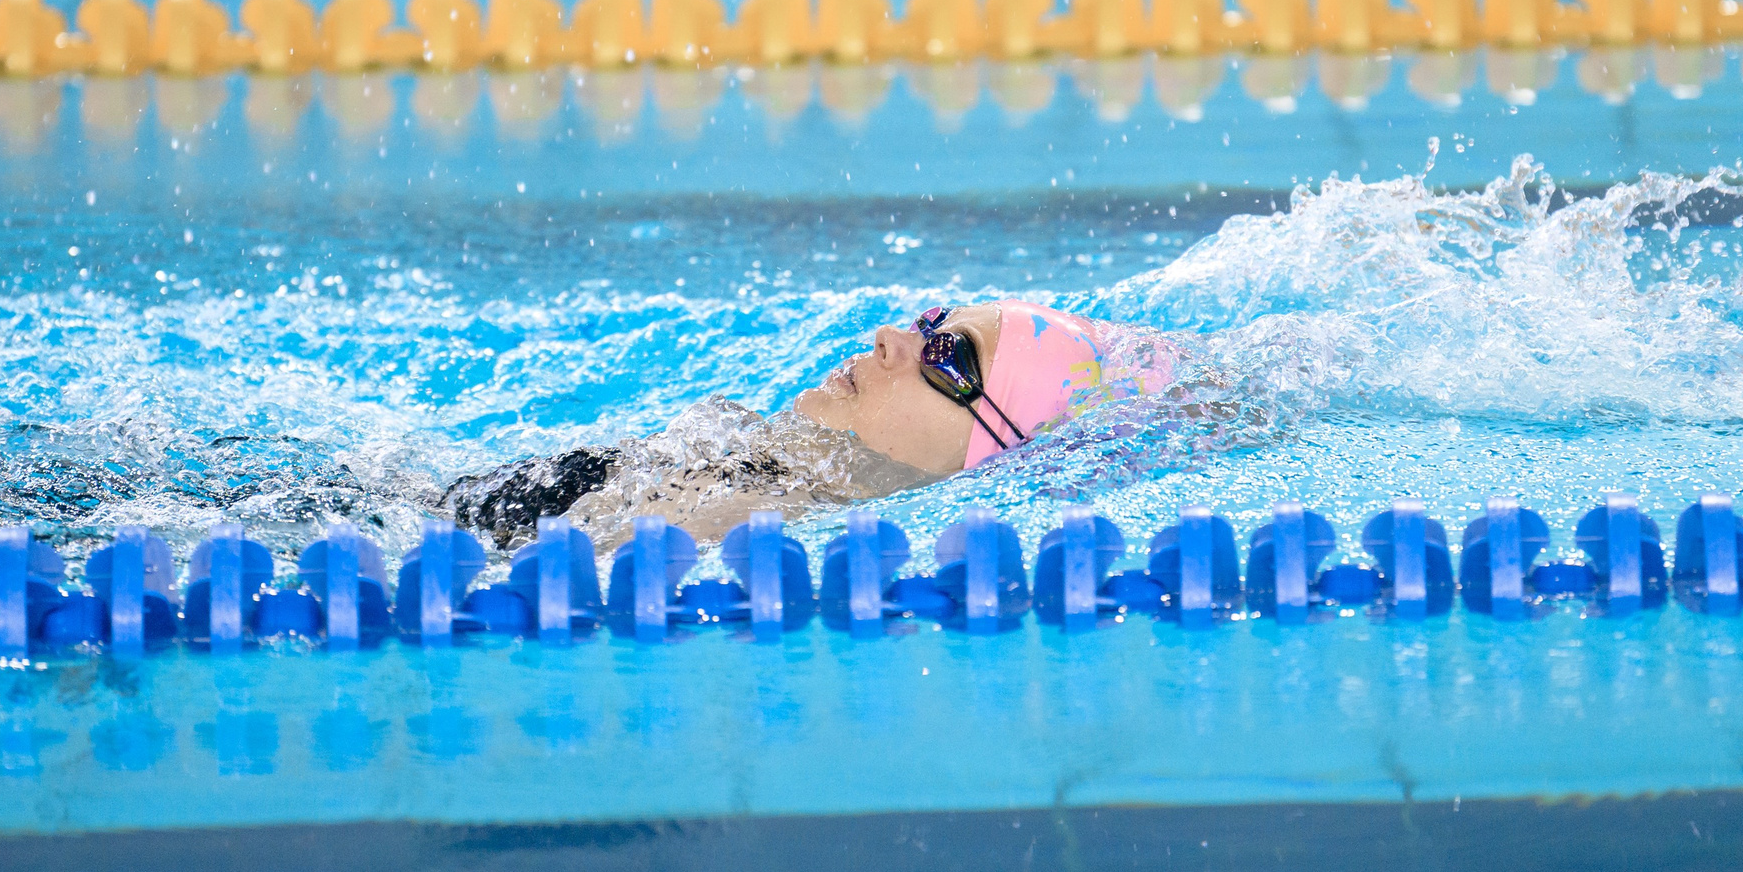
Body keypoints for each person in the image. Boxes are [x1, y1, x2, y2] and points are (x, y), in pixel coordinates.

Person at [440, 299, 1201, 547]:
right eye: (928, 319)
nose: (892, 339)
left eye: (949, 354)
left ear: (987, 454)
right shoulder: (768, 464)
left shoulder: (751, 517)